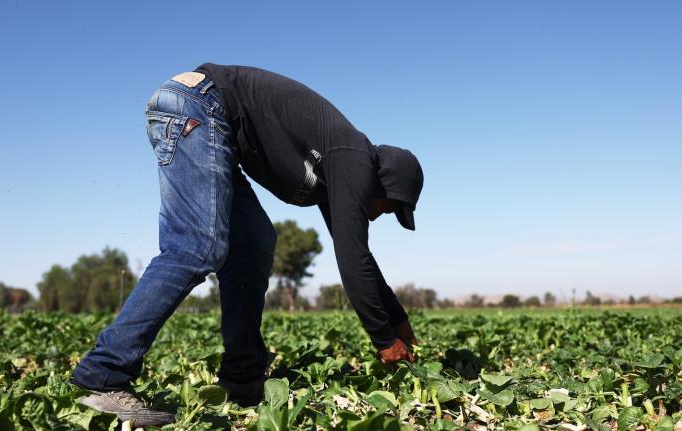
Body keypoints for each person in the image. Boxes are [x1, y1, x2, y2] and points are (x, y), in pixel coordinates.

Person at [71, 64, 424, 427]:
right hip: (200, 105)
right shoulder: (354, 158)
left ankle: (242, 377)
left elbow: (356, 252)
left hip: (207, 118)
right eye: (391, 208)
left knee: (253, 243)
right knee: (196, 245)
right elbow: (353, 260)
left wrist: (397, 319)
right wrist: (384, 339)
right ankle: (104, 374)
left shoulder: (340, 170)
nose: (381, 216)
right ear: (387, 183)